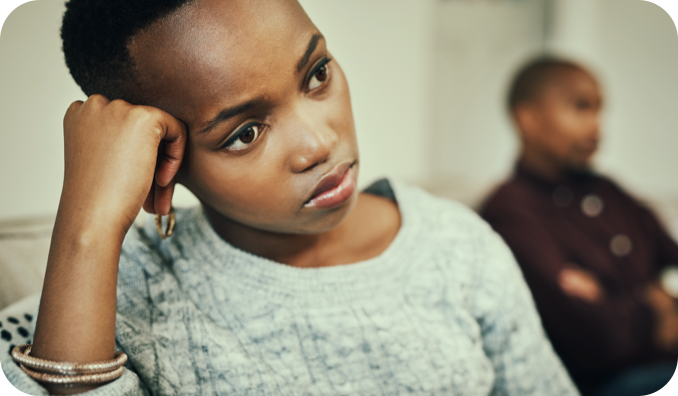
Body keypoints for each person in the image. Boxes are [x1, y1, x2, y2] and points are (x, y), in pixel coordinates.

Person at [0, 1, 578, 395]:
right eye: (245, 133)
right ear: (161, 158)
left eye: (318, 74)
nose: (319, 143)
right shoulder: (123, 288)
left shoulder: (458, 247)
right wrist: (88, 225)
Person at [480, 57, 678, 396]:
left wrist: (650, 299)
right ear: (527, 118)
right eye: (580, 108)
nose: (597, 128)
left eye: (599, 111)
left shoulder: (610, 192)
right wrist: (652, 305)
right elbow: (598, 339)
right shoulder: (509, 213)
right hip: (601, 385)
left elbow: (671, 257)